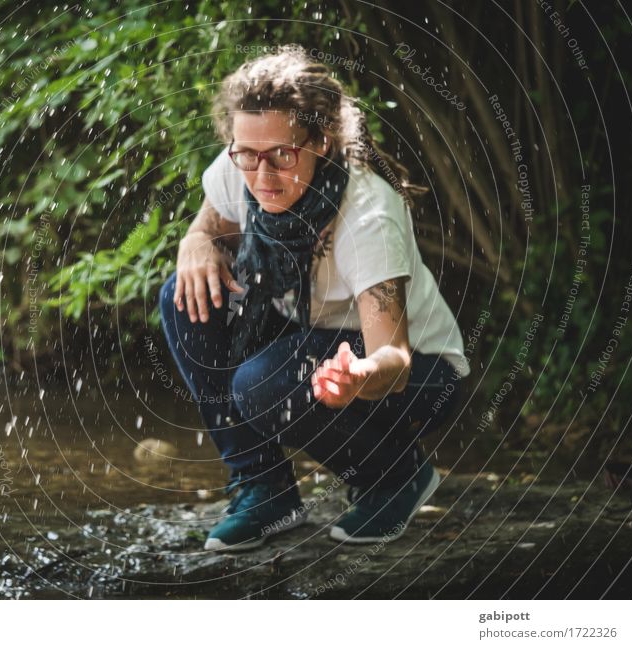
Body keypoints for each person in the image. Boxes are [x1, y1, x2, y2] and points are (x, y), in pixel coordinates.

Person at [158, 45, 468, 551]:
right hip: (309, 335)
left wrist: (360, 376)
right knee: (183, 296)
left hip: (422, 377)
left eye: (282, 155)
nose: (261, 177)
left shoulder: (367, 218)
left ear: (321, 140)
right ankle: (265, 489)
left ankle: (395, 476)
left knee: (261, 382)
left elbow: (395, 356)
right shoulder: (250, 156)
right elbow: (213, 216)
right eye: (246, 155)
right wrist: (194, 240)